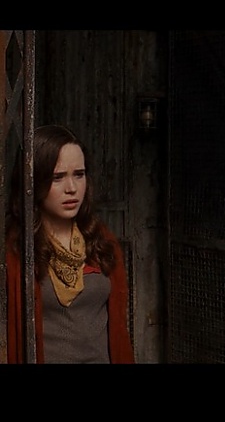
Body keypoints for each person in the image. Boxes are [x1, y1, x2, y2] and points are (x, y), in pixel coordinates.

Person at [5, 124, 134, 363]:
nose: (72, 188)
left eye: (79, 174)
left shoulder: (100, 240)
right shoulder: (16, 249)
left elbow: (118, 330)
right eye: (57, 177)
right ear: (33, 182)